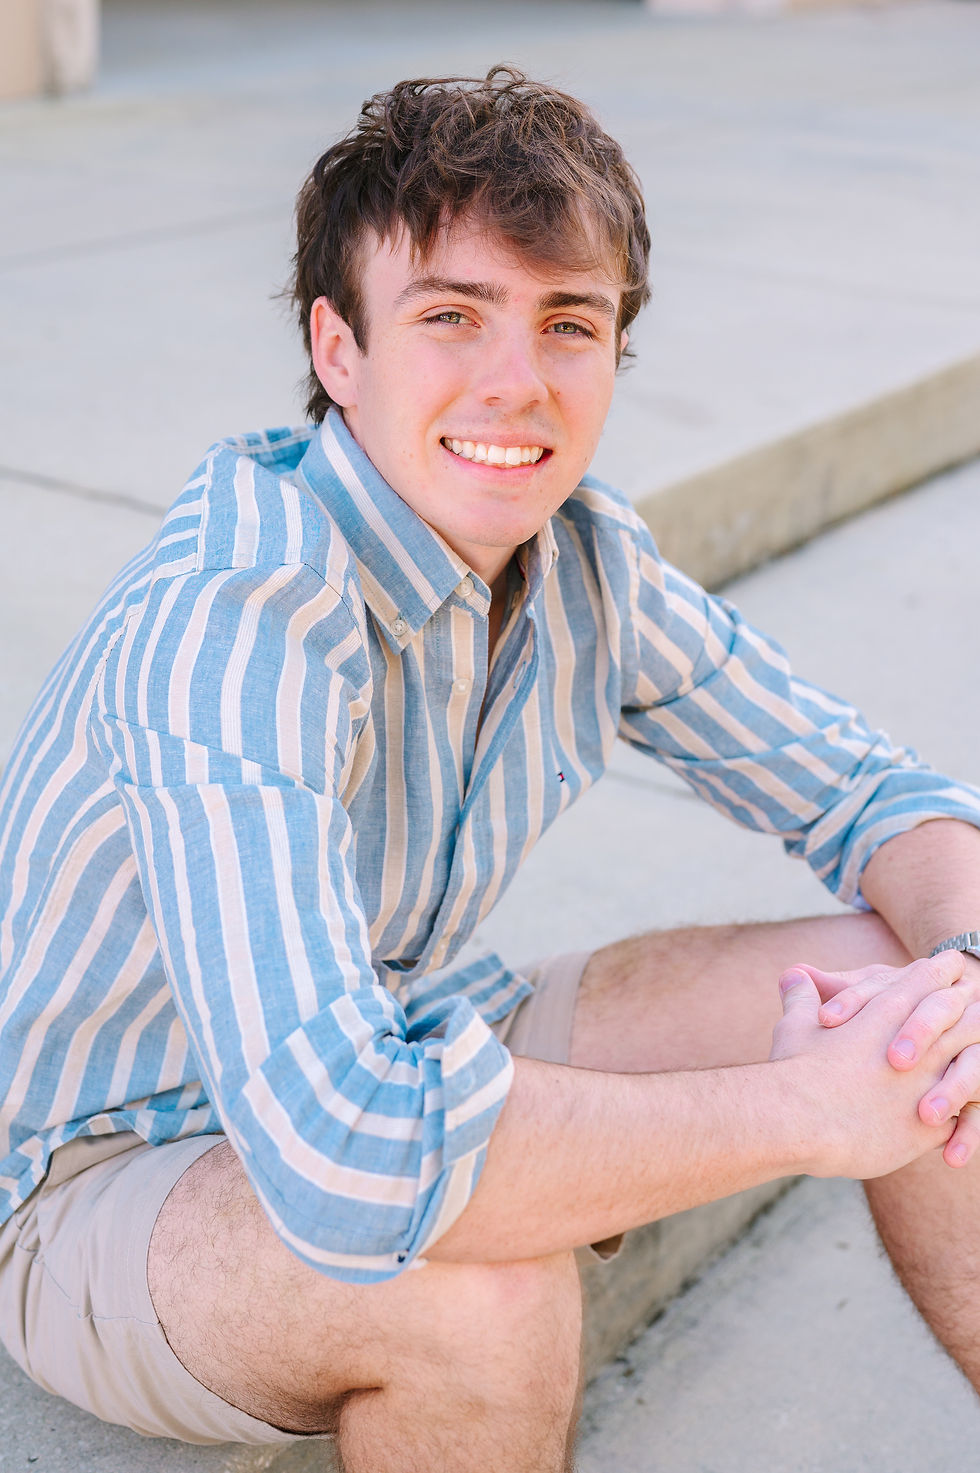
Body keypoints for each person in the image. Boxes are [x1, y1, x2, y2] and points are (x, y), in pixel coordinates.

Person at [2, 64, 980, 1473]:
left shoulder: (584, 558)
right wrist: (801, 1110)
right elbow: (343, 1149)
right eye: (451, 314)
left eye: (566, 323)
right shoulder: (236, 627)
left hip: (407, 1025)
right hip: (109, 1169)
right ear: (339, 351)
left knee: (913, 1001)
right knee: (485, 1299)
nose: (516, 381)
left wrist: (956, 972)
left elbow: (881, 798)